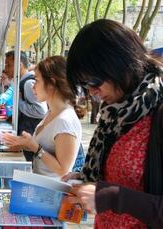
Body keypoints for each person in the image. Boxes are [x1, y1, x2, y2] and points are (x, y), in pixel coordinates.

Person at [64, 19, 163, 228]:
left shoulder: (157, 112)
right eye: (84, 85)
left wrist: (111, 196)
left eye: (93, 82)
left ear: (120, 63)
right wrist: (83, 180)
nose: (92, 92)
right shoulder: (114, 114)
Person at [3, 56, 85, 179]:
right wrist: (24, 143)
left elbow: (63, 170)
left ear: (51, 83)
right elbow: (47, 147)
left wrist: (34, 146)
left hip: (51, 192)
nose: (33, 86)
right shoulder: (53, 112)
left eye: (36, 80)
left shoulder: (65, 121)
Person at [4, 50, 47, 135]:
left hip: (31, 135)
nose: (6, 69)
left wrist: (17, 101)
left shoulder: (28, 83)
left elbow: (40, 111)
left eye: (8, 65)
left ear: (19, 65)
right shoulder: (22, 82)